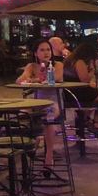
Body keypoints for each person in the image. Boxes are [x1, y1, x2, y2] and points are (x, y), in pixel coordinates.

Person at [16, 39, 65, 176]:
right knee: (22, 113)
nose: (46, 53)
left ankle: (49, 156)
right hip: (37, 102)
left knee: (48, 118)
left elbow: (56, 78)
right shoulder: (32, 66)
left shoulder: (58, 65)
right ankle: (30, 144)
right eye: (42, 50)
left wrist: (34, 79)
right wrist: (27, 77)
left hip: (53, 102)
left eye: (48, 50)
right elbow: (20, 81)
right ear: (35, 53)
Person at [63, 42, 98, 140]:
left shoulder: (69, 61)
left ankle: (91, 121)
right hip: (79, 92)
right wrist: (92, 70)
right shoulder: (79, 62)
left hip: (70, 92)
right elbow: (85, 80)